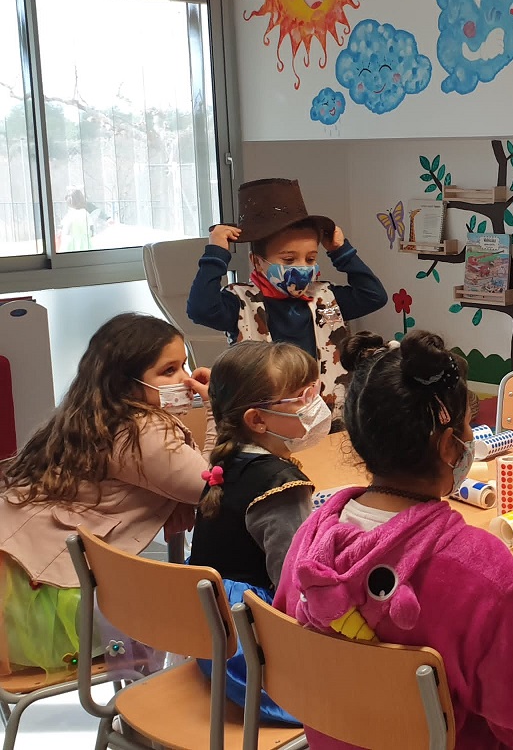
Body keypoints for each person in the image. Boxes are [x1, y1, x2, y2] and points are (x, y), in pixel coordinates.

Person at [274, 330, 513, 750]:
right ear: (448, 446)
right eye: (468, 428)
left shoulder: (312, 535)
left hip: (336, 738)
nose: (472, 438)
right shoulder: (478, 567)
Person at [0, 313, 214, 676]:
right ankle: (155, 699)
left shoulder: (91, 414)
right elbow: (210, 486)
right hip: (58, 596)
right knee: (194, 610)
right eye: (169, 370)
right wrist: (217, 411)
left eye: (184, 365)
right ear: (126, 383)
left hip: (20, 572)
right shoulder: (142, 431)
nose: (186, 380)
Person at [188, 340, 326, 725]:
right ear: (258, 421)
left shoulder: (227, 461)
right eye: (302, 398)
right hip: (254, 656)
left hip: (212, 637)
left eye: (313, 390)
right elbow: (294, 588)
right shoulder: (281, 486)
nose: (316, 404)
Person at [186, 178, 387, 427]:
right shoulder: (240, 304)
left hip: (328, 417)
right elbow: (200, 309)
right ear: (257, 262)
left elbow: (374, 296)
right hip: (267, 424)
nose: (302, 268)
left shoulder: (324, 297)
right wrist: (216, 253)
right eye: (289, 260)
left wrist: (340, 251)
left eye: (310, 259)